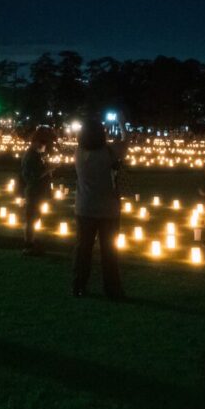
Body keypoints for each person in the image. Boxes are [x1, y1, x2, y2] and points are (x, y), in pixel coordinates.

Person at [72, 117, 128, 299]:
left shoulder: (78, 152)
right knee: (109, 252)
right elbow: (126, 141)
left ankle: (79, 286)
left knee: (83, 250)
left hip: (84, 208)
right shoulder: (109, 153)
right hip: (108, 210)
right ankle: (112, 289)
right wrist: (122, 124)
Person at [19, 126, 56, 256]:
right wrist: (49, 169)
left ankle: (32, 242)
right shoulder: (31, 156)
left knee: (34, 218)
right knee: (31, 218)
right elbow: (32, 177)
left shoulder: (37, 154)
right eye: (43, 143)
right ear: (36, 142)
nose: (45, 146)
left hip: (39, 192)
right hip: (34, 192)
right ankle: (28, 245)